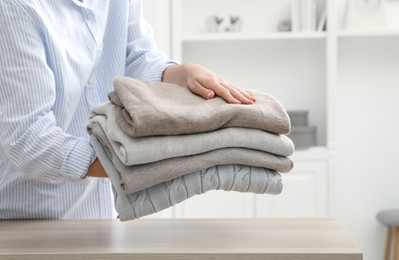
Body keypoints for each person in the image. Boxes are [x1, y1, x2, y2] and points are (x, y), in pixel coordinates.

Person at [0, 0, 256, 219]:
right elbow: (28, 140)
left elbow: (136, 57)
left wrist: (182, 73)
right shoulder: (16, 8)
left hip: (102, 215)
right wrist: (140, 162)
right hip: (31, 220)